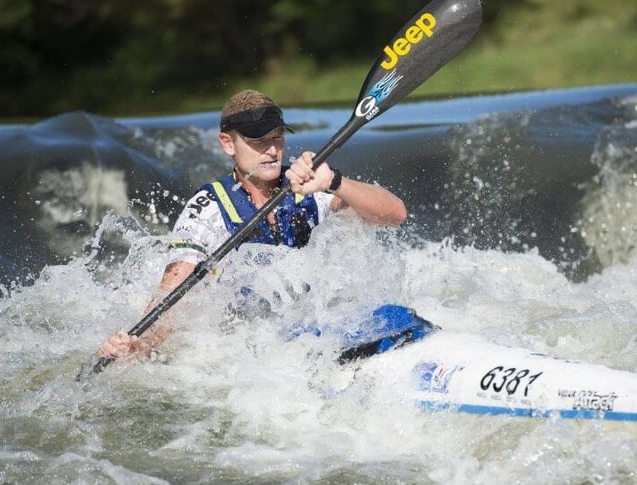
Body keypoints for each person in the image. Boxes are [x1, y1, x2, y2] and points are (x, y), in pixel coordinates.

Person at [98, 89, 408, 363]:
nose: (272, 150)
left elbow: (395, 215)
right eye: (258, 140)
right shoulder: (208, 210)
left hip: (315, 327)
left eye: (277, 137)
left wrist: (336, 182)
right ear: (227, 144)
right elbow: (175, 291)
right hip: (250, 348)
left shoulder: (308, 186)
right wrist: (144, 342)